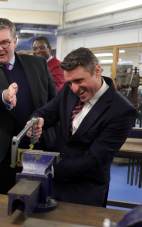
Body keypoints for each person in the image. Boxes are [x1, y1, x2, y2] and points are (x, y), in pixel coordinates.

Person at [28, 47, 137, 207]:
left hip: (84, 190)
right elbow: (48, 111)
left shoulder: (122, 111)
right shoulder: (69, 88)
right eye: (69, 82)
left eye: (79, 81)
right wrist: (36, 120)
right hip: (50, 183)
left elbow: (93, 161)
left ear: (97, 71)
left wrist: (46, 170)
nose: (74, 88)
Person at [0, 18, 57, 195]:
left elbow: (53, 101)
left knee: (38, 199)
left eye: (4, 42)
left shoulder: (37, 64)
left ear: (15, 41)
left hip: (37, 149)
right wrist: (5, 96)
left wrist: (43, 123)